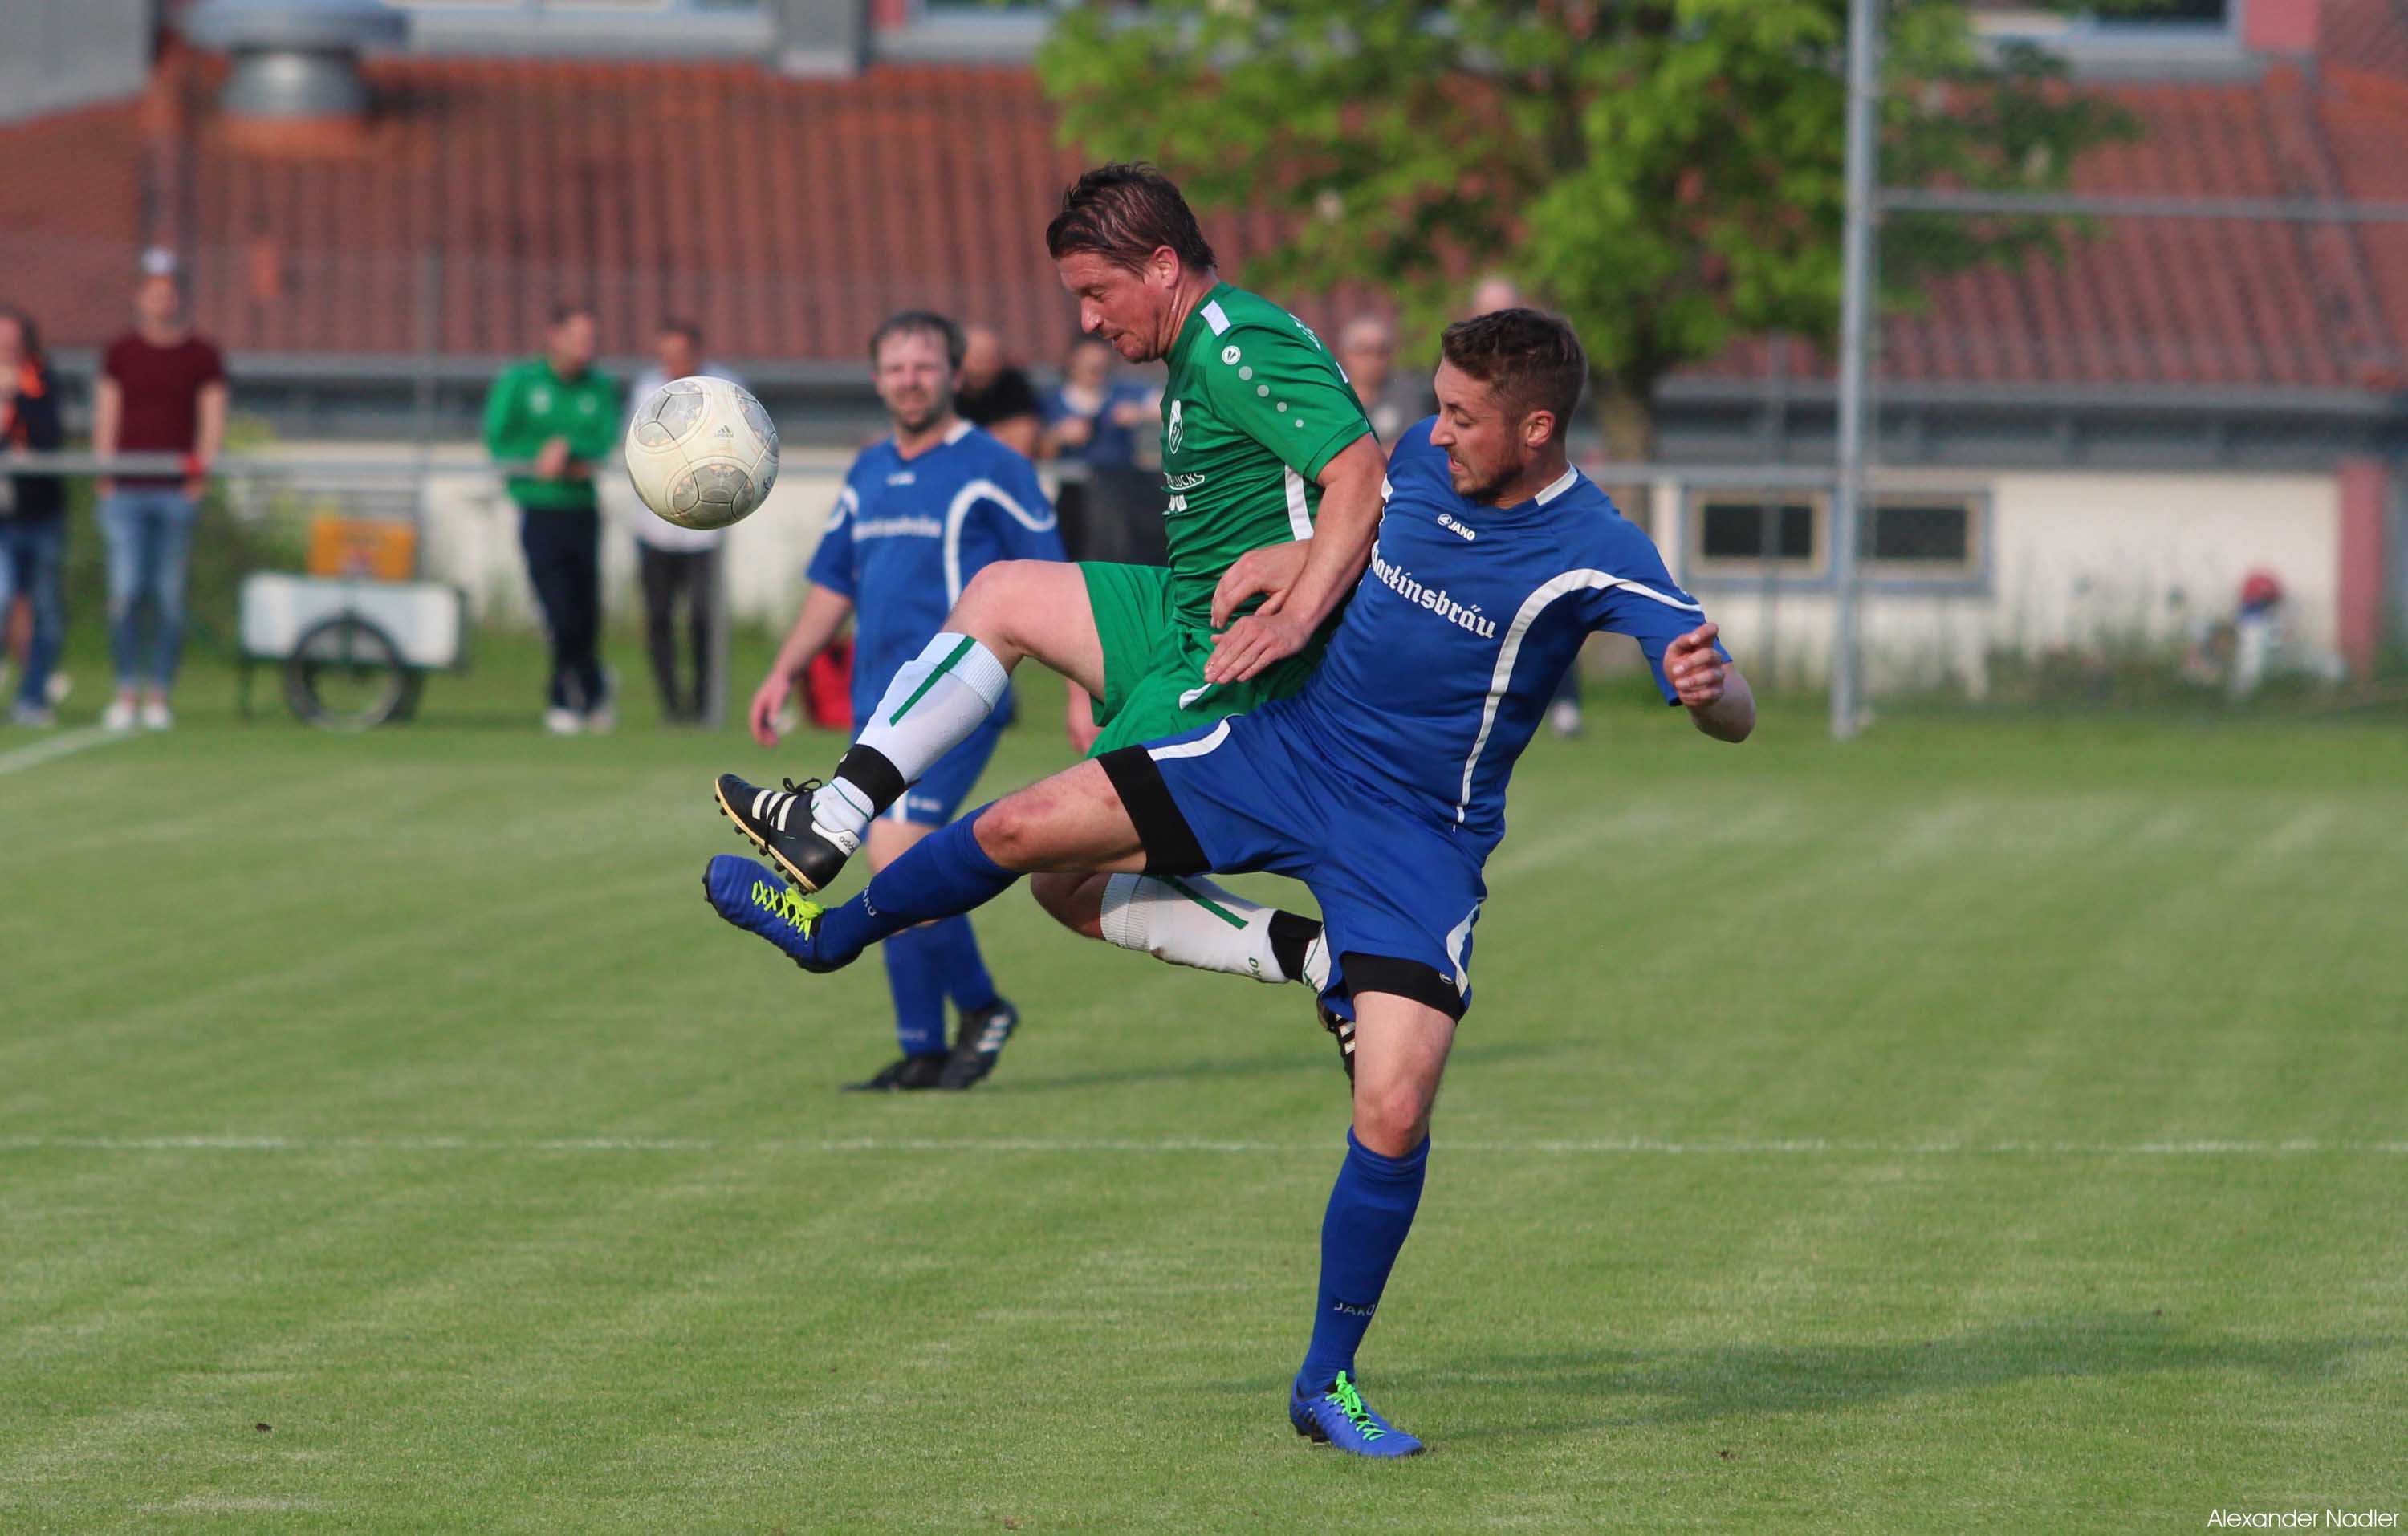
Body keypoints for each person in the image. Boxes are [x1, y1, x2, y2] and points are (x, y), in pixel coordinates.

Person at [702, 308, 1755, 1456]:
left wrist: (1707, 693)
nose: (1435, 432)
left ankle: (1325, 1383)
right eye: (1438, 407)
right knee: (1026, 826)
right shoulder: (1417, 458)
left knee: (1394, 1108)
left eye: (1462, 416)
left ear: (1538, 428)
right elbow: (1365, 532)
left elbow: (1731, 706)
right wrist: (1296, 559)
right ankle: (829, 930)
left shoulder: (1599, 544)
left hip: (1414, 842)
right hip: (1282, 753)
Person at [710, 162, 1389, 1065]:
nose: (1088, 323)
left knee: (1064, 882)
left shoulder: (1237, 345)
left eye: (1097, 293)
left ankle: (1321, 958)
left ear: (1161, 265)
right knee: (1005, 593)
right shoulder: (1205, 345)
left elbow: (1365, 473)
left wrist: (1298, 613)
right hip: (1187, 609)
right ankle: (833, 818)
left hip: (1241, 662)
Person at [739, 311, 1064, 1091]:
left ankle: (980, 1010)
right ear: (878, 378)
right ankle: (923, 1047)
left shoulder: (995, 464)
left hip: (959, 697)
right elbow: (833, 584)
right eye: (895, 368)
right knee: (898, 861)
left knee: (895, 852)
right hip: (875, 709)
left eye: (925, 366)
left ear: (955, 375)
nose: (910, 380)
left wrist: (1085, 690)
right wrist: (784, 670)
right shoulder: (868, 472)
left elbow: (1054, 581)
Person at [91, 250, 227, 732]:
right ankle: (126, 689)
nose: (161, 299)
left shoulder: (202, 355)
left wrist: (198, 476)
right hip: (126, 490)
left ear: (179, 297)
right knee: (127, 594)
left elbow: (212, 417)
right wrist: (105, 473)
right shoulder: (120, 352)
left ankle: (159, 694)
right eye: (153, 290)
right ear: (140, 296)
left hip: (173, 492)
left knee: (168, 598)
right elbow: (107, 412)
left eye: (168, 290)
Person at [483, 304, 621, 734]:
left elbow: (605, 438)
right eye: (579, 338)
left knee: (585, 610)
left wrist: (571, 449)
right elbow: (498, 438)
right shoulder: (521, 382)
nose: (586, 348)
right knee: (558, 609)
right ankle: (565, 696)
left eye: (591, 339)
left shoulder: (598, 387)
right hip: (539, 509)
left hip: (581, 509)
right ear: (554, 336)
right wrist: (539, 453)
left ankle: (592, 688)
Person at [625, 319, 735, 725]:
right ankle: (671, 708)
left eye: (680, 354)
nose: (672, 363)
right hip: (654, 530)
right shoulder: (645, 389)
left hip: (705, 534)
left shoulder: (724, 388)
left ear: (696, 352)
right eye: (665, 355)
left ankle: (704, 705)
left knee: (704, 619)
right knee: (658, 618)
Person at [1, 307, 67, 727]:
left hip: (40, 514)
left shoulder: (40, 378)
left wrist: (18, 397)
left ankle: (33, 697)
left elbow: (49, 435)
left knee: (44, 608)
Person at [1041, 334, 1155, 469]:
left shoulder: (1121, 393)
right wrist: (1058, 437)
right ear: (1072, 362)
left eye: (1100, 366)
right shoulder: (1050, 403)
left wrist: (1141, 414)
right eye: (1089, 365)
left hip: (1119, 480)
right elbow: (1034, 451)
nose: (1095, 371)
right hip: (1071, 483)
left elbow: (1170, 406)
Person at [953, 325, 1043, 459]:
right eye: (977, 359)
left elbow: (1023, 439)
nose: (981, 368)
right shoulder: (946, 387)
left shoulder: (1013, 384)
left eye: (989, 359)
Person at [1335, 315, 1422, 445]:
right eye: (1364, 351)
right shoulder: (1336, 400)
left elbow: (1415, 446)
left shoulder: (1408, 394)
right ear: (1345, 354)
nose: (1373, 360)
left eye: (1382, 351)